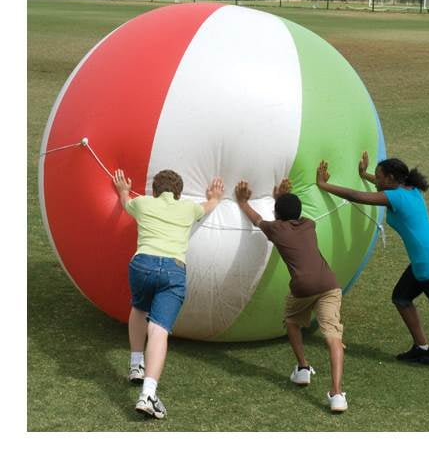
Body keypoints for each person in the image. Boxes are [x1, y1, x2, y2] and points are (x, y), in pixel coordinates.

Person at [316, 153, 429, 380]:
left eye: (378, 177)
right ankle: (423, 350)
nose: (376, 181)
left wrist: (323, 184)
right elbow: (381, 188)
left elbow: (356, 196)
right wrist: (363, 174)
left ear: (390, 178)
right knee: (401, 297)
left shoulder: (395, 197)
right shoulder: (410, 189)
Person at [113, 169, 224, 418]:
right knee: (159, 330)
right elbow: (209, 206)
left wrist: (122, 190)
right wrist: (215, 196)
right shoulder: (187, 208)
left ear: (154, 191)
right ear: (178, 193)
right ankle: (148, 394)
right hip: (173, 270)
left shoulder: (142, 203)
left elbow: (125, 203)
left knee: (139, 308)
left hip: (141, 264)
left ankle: (135, 365)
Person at [234, 178, 348, 412]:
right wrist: (281, 199)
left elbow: (256, 219)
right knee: (333, 338)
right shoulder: (309, 224)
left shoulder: (276, 229)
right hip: (329, 285)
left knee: (292, 322)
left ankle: (303, 368)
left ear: (277, 214)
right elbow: (289, 217)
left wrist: (242, 201)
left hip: (302, 288)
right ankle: (337, 394)